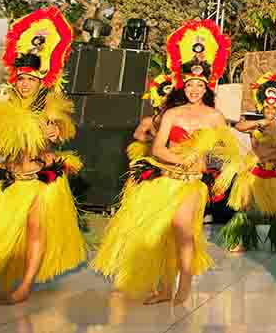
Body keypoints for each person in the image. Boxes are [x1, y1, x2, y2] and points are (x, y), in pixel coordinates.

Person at [93, 19, 238, 305]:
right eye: (190, 85)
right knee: (159, 233)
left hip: (192, 185)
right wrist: (180, 159)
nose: (194, 90)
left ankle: (184, 285)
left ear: (206, 85)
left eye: (199, 85)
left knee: (183, 230)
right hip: (166, 179)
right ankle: (163, 288)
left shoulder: (214, 116)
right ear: (183, 84)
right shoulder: (172, 114)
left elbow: (227, 150)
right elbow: (158, 148)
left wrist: (206, 154)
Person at [0, 6, 86, 305]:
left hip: (40, 181)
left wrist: (52, 131)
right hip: (12, 179)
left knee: (33, 230)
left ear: (41, 81)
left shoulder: (50, 108)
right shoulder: (5, 110)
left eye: (30, 79)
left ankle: (25, 285)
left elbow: (60, 130)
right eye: (21, 78)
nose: (24, 83)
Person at [219, 71, 276, 254]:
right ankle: (242, 241)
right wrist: (261, 122)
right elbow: (238, 126)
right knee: (246, 207)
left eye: (273, 109)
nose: (270, 111)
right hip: (255, 173)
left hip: (274, 173)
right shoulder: (255, 127)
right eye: (266, 109)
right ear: (262, 109)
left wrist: (271, 155)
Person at [127, 73, 175, 162]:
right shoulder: (149, 121)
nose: (166, 106)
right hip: (152, 155)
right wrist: (156, 139)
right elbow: (137, 135)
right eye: (164, 103)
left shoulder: (178, 119)